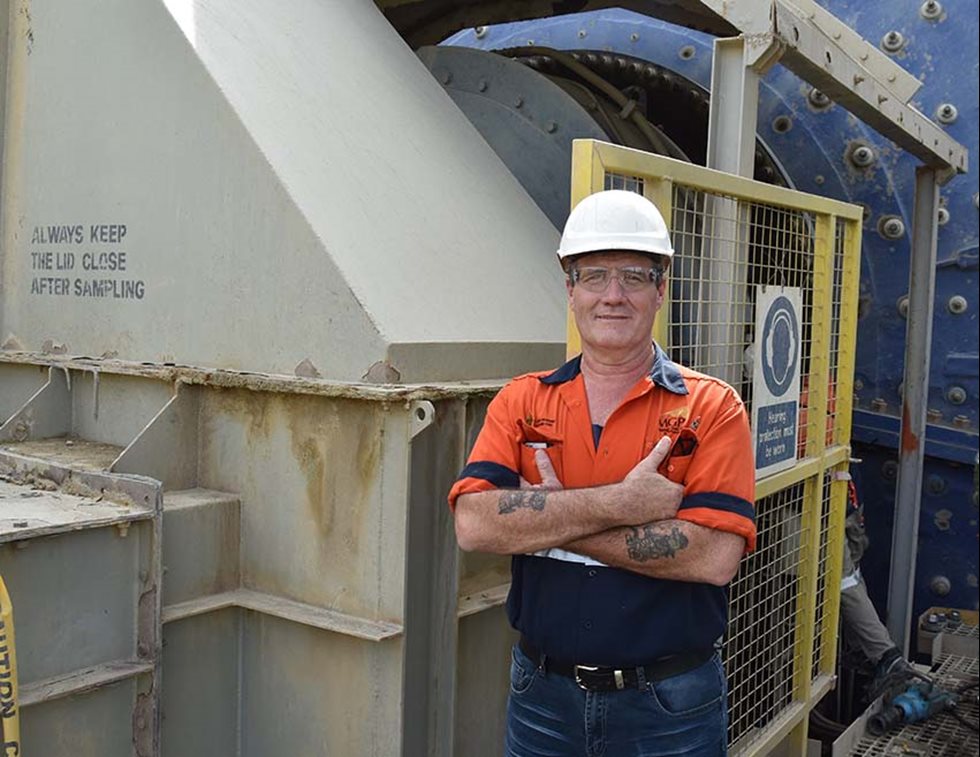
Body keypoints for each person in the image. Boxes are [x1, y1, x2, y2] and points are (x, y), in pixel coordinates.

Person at [448, 190, 757, 756]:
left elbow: (713, 557)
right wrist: (622, 503)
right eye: (594, 276)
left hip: (669, 706)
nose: (612, 296)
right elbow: (474, 525)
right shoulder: (522, 401)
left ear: (660, 290)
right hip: (542, 696)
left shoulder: (711, 408)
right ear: (570, 291)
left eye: (634, 277)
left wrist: (550, 516)